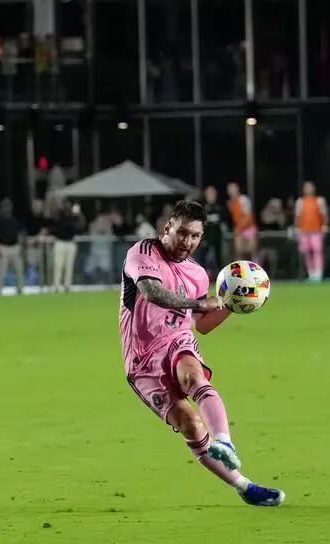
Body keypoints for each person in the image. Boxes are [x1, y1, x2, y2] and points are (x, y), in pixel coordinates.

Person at [120, 201, 283, 507]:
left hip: (177, 340)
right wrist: (198, 304)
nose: (187, 242)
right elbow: (151, 293)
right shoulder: (143, 252)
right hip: (142, 358)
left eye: (195, 236)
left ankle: (224, 440)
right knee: (191, 424)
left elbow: (201, 326)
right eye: (182, 233)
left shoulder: (197, 273)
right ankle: (244, 486)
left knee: (193, 376)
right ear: (168, 228)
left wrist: (233, 305)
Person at [294, 181, 327, 282]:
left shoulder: (320, 200)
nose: (308, 189)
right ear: (304, 189)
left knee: (317, 250)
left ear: (314, 189)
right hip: (304, 231)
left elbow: (324, 214)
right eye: (306, 187)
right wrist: (297, 228)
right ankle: (311, 273)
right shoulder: (300, 201)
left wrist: (325, 226)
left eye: (310, 187)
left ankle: (319, 273)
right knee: (307, 252)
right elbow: (297, 216)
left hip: (316, 230)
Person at [226, 182, 258, 262]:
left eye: (233, 189)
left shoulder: (243, 199)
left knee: (253, 251)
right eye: (230, 190)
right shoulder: (230, 203)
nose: (231, 191)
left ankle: (256, 271)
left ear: (237, 189)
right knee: (238, 252)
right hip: (239, 228)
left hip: (248, 227)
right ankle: (239, 270)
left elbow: (248, 217)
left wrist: (238, 228)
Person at [198, 186, 226, 273]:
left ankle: (220, 275)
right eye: (209, 193)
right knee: (203, 257)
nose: (211, 195)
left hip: (217, 235)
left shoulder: (220, 206)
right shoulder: (201, 207)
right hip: (205, 236)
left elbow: (224, 219)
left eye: (213, 193)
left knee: (218, 257)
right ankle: (202, 276)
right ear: (205, 194)